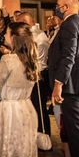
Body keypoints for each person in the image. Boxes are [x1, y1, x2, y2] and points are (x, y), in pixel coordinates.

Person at [0, 22, 39, 157]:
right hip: (27, 107)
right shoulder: (32, 58)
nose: (4, 35)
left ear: (14, 38)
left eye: (7, 33)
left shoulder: (7, 60)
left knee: (9, 148)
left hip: (9, 109)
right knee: (23, 148)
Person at [48, 0, 79, 157]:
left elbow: (68, 56)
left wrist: (58, 84)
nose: (57, 9)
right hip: (75, 84)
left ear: (65, 7)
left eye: (58, 6)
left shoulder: (69, 24)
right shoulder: (77, 23)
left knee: (75, 131)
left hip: (71, 86)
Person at [17, 12, 51, 144]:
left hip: (37, 76)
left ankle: (44, 140)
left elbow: (31, 56)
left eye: (20, 23)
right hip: (31, 74)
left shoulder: (37, 36)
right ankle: (34, 136)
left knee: (39, 109)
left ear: (26, 23)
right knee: (32, 107)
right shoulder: (32, 34)